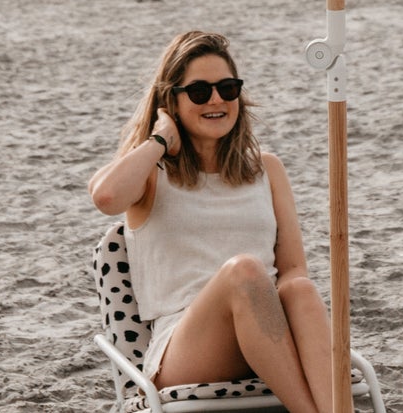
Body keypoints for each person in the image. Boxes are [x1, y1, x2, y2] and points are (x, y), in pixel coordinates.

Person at [88, 30, 335, 413]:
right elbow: (106, 197)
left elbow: (291, 270)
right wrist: (159, 140)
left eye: (227, 88)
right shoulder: (152, 172)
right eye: (199, 92)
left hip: (266, 333)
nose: (217, 100)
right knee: (244, 271)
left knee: (300, 289)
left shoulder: (267, 169)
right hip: (185, 351)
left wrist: (293, 313)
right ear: (171, 101)